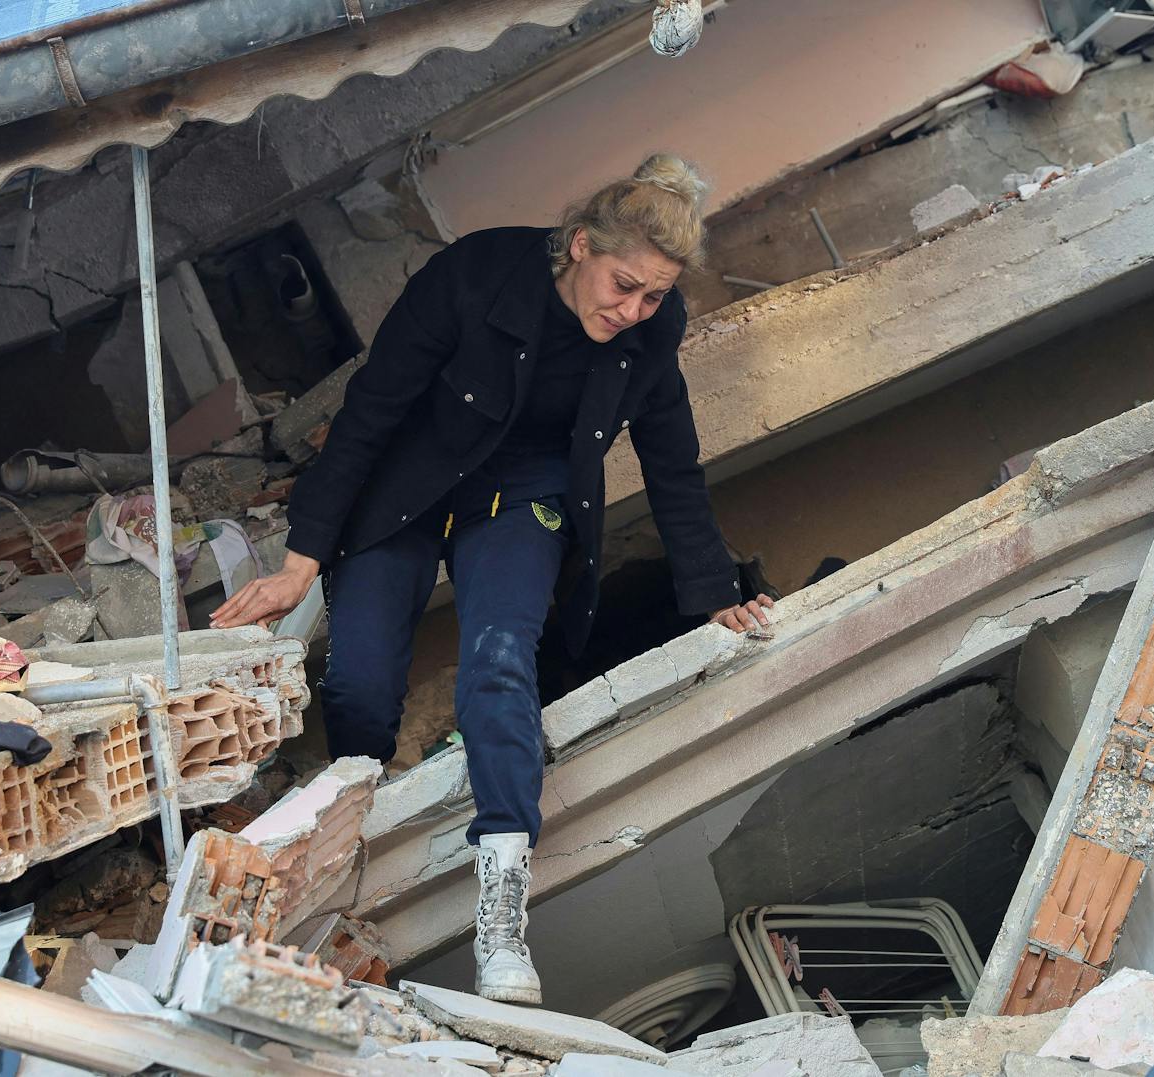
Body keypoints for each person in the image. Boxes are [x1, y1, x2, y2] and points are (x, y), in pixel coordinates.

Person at [210, 153, 774, 1004]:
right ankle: (354, 847)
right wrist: (303, 557)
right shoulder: (474, 276)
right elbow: (370, 411)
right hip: (408, 484)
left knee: (501, 659)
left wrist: (715, 594)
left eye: (653, 296)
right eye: (622, 285)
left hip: (524, 493)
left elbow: (672, 460)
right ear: (579, 245)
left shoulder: (654, 331)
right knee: (359, 683)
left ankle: (502, 910)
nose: (632, 312)